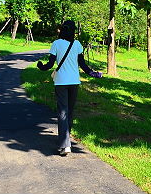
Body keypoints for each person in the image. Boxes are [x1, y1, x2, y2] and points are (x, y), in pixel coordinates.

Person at [37, 19, 102, 156]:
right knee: (69, 113)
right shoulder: (77, 44)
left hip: (61, 82)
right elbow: (83, 65)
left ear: (62, 29)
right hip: (74, 82)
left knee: (62, 112)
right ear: (73, 31)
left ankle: (65, 144)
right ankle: (66, 142)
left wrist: (41, 66)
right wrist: (94, 74)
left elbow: (50, 65)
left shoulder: (56, 43)